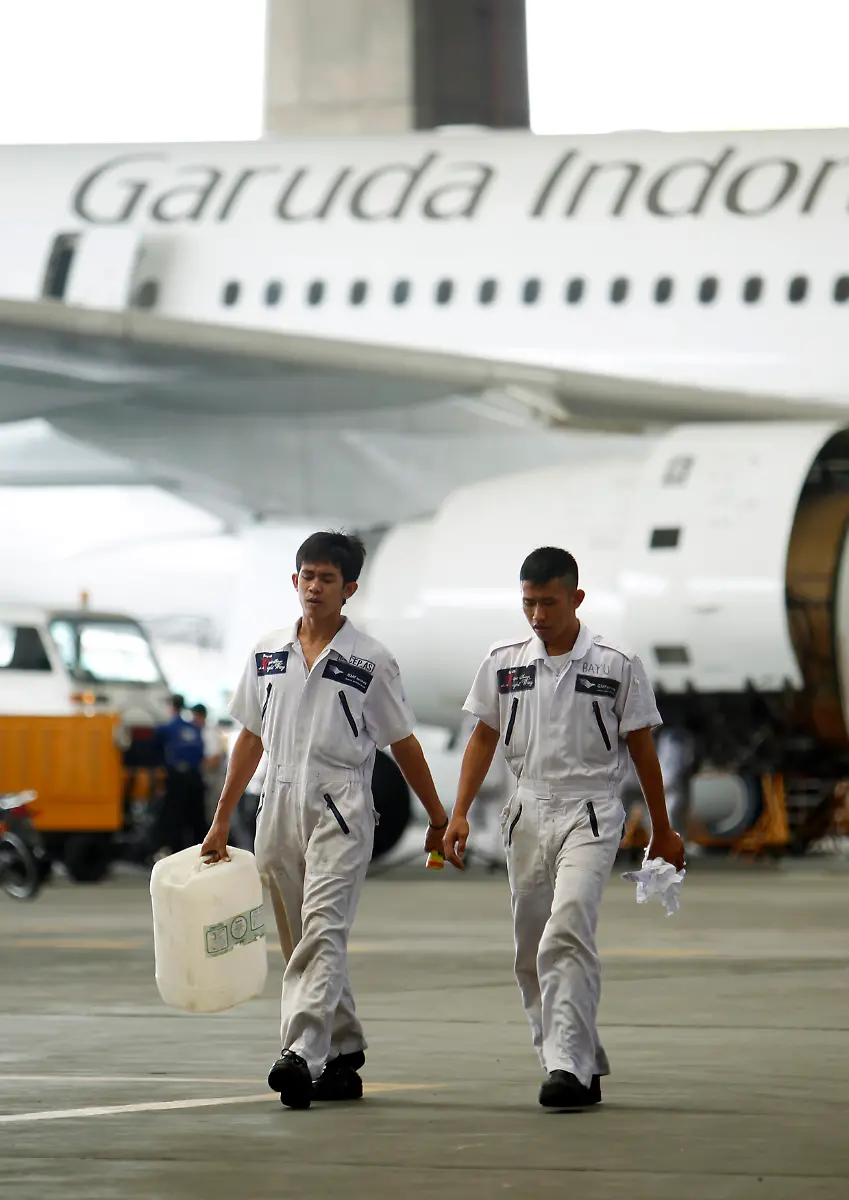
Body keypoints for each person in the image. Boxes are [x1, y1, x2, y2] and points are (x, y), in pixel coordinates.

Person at [201, 531, 448, 1110]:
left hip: (342, 803)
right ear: (295, 581)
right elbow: (250, 738)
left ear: (349, 589)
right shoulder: (267, 653)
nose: (314, 587)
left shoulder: (371, 661)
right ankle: (343, 1053)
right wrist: (221, 819)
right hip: (277, 803)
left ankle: (300, 1052)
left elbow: (404, 743)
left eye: (327, 579)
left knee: (324, 927)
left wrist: (438, 817)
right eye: (307, 576)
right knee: (299, 938)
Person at [443, 546, 685, 1110]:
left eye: (549, 603)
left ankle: (566, 1068)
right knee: (532, 950)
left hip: (591, 811)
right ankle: (578, 1057)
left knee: (567, 930)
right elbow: (483, 737)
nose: (537, 615)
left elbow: (642, 749)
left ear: (576, 598)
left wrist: (663, 828)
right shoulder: (503, 661)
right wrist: (459, 812)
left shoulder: (616, 663)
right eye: (528, 602)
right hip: (526, 811)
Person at [154, 693, 207, 853]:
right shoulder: (194, 728)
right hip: (195, 778)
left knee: (174, 819)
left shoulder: (166, 728)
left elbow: (158, 754)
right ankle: (200, 852)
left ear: (171, 707)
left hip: (176, 779)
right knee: (196, 819)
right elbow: (200, 754)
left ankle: (174, 852)